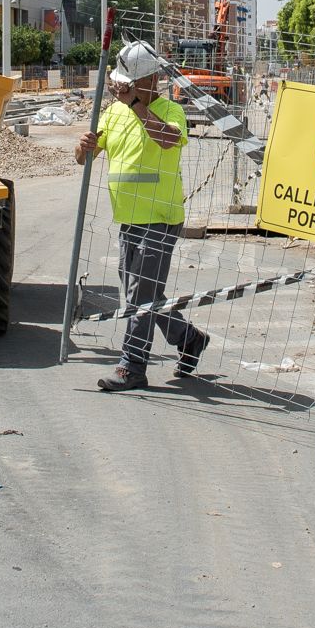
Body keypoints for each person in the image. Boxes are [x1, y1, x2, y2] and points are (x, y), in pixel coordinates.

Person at [76, 40, 206, 391]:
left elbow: (168, 139)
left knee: (139, 296)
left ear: (150, 80)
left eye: (130, 84)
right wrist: (83, 147)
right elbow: (84, 156)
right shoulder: (113, 113)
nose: (123, 88)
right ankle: (189, 337)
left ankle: (132, 366)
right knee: (142, 294)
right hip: (129, 219)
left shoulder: (170, 110)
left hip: (161, 218)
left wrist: (134, 105)